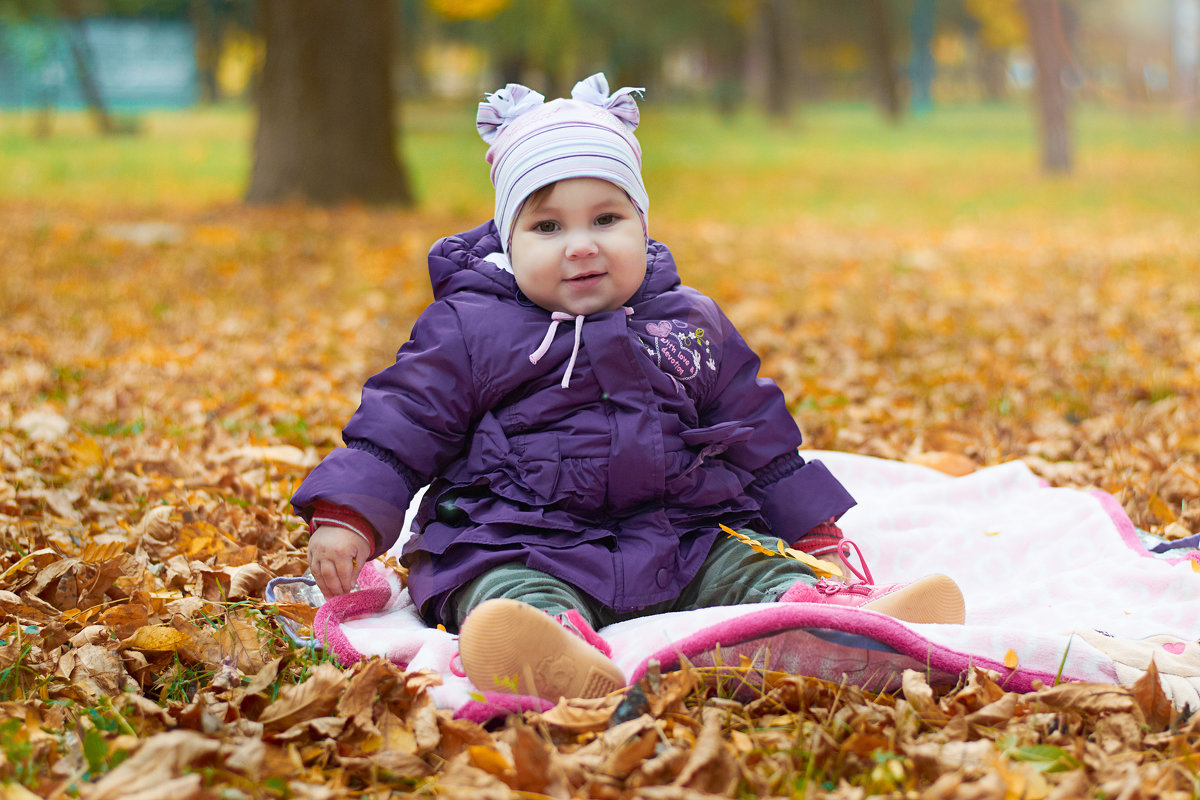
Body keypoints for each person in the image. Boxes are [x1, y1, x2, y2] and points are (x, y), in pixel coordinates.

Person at [292, 74, 964, 703]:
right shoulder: (471, 329)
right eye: (548, 226)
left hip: (680, 536)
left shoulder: (687, 321)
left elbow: (756, 429)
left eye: (606, 220)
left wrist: (810, 527)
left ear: (642, 224)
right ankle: (543, 647)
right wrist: (350, 514)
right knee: (500, 587)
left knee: (751, 562)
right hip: (522, 535)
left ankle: (834, 625)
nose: (580, 245)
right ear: (507, 238)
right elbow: (401, 424)